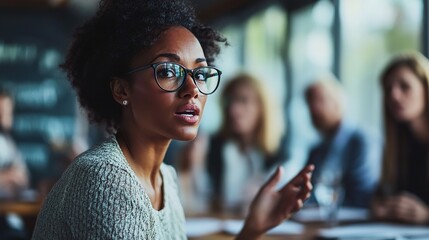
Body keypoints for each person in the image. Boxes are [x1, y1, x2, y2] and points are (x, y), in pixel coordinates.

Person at [32, 1, 314, 239]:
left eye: (200, 74)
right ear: (122, 90)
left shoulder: (167, 177)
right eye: (168, 71)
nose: (192, 88)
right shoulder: (104, 177)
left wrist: (251, 230)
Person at [207, 73, 287, 214]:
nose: (233, 110)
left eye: (243, 101)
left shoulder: (279, 153)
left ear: (262, 107)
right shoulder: (213, 147)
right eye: (229, 101)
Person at [304, 75, 380, 208]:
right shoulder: (316, 150)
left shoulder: (362, 141)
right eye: (310, 102)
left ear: (338, 102)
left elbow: (361, 196)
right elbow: (304, 193)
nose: (314, 109)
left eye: (321, 100)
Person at [371, 52, 429, 225]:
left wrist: (427, 215)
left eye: (405, 86)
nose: (394, 96)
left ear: (426, 89)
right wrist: (381, 206)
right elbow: (381, 195)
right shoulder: (398, 145)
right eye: (388, 89)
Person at [0, 88, 29, 240]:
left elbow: (22, 177)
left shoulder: (8, 141)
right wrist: (8, 176)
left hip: (13, 216)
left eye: (6, 111)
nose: (4, 116)